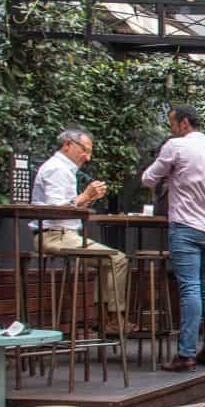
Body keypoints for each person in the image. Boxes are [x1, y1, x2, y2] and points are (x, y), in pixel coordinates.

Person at [142, 104, 205, 372]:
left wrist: (168, 176)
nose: (171, 128)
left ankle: (186, 353)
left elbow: (148, 178)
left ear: (184, 124)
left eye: (172, 123)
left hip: (185, 226)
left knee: (190, 288)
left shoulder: (175, 147)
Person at [31, 128, 129, 333]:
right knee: (117, 259)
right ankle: (112, 319)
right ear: (67, 144)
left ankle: (106, 318)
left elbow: (68, 207)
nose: (87, 157)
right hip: (54, 236)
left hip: (62, 235)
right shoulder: (57, 169)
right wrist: (86, 196)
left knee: (109, 260)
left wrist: (89, 197)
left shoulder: (63, 169)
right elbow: (57, 210)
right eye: (84, 150)